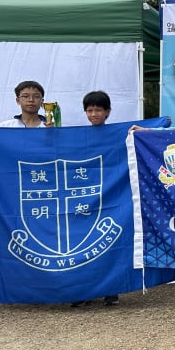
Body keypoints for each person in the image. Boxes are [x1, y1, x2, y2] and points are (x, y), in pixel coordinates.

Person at [71, 90, 120, 307]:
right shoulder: (78, 136)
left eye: (98, 110)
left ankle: (112, 289)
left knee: (111, 244)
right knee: (84, 243)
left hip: (111, 195)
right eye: (89, 110)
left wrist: (160, 125)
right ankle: (86, 289)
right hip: (84, 196)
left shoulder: (117, 133)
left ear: (108, 111)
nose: (93, 114)